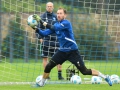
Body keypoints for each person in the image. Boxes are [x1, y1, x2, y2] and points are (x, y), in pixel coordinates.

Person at [32, 7, 112, 87]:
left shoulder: (66, 23)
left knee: (84, 71)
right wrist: (36, 29)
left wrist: (42, 21)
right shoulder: (56, 24)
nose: (58, 15)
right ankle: (41, 83)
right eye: (58, 13)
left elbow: (55, 28)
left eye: (61, 13)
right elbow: (44, 33)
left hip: (72, 51)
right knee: (49, 66)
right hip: (62, 51)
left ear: (65, 15)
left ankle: (105, 76)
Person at [37, 2, 64, 80]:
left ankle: (59, 75)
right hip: (46, 40)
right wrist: (40, 38)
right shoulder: (42, 17)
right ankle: (47, 75)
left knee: (59, 58)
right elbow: (39, 28)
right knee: (45, 58)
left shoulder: (56, 17)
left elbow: (60, 28)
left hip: (56, 41)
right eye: (48, 6)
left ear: (53, 7)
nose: (49, 7)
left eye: (51, 6)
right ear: (46, 7)